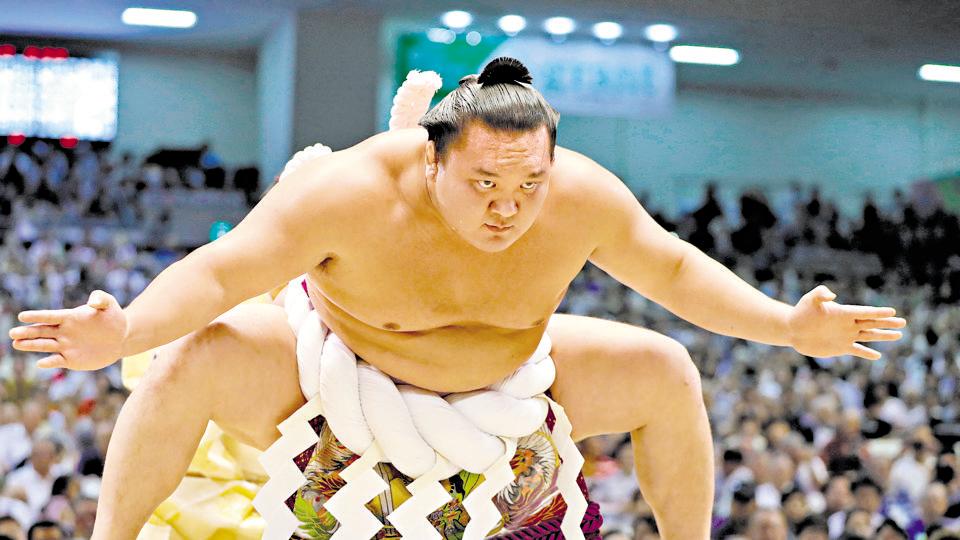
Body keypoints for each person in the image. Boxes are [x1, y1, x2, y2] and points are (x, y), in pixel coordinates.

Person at [9, 57, 906, 539]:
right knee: (195, 356)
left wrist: (787, 325)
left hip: (512, 391)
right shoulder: (349, 194)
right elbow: (219, 273)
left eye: (529, 185)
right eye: (483, 184)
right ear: (431, 157)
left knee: (664, 369)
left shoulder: (581, 194)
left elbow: (673, 271)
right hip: (334, 384)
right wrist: (123, 326)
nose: (508, 208)